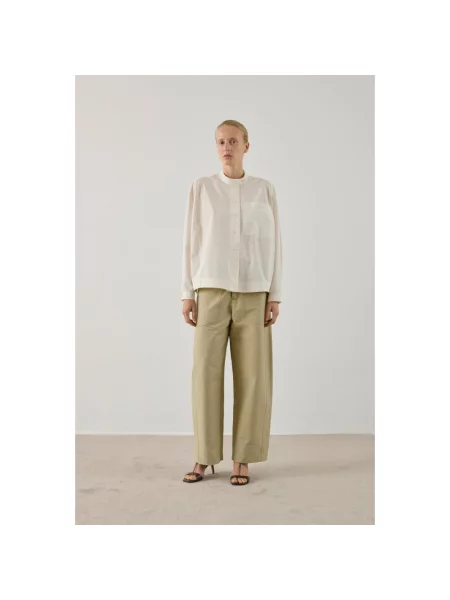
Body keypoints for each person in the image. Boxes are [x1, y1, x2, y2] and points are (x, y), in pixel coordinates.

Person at [181, 119, 282, 485]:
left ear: (246, 146)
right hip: (210, 289)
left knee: (254, 377)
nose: (227, 147)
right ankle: (203, 456)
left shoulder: (263, 189)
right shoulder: (202, 188)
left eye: (234, 141)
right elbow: (190, 241)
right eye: (221, 141)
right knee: (204, 375)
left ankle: (244, 458)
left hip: (254, 291)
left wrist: (275, 293)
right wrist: (187, 292)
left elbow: (276, 243)